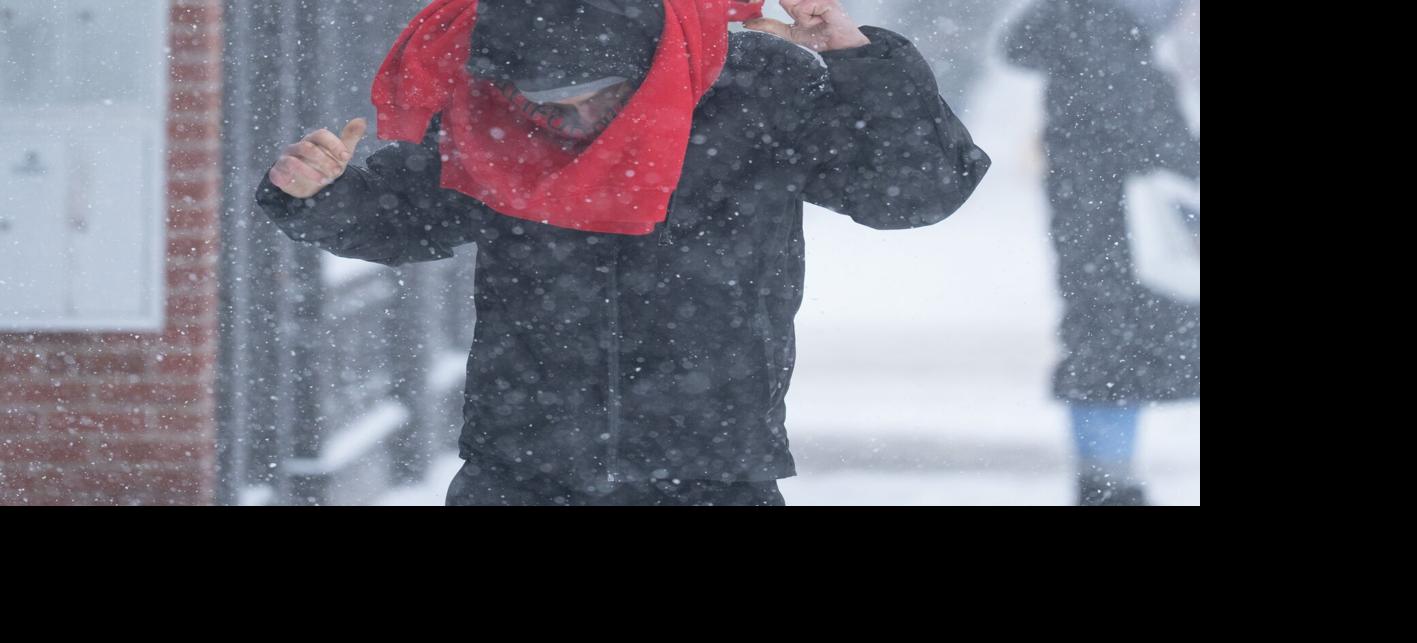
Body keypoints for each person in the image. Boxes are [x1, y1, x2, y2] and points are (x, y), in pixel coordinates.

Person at [257, 0, 990, 506]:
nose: (571, 119)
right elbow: (410, 216)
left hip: (712, 470)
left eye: (595, 95)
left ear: (649, 66)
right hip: (523, 469)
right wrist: (318, 194)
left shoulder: (758, 90)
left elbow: (910, 195)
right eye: (548, 101)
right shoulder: (504, 123)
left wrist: (859, 62)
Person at [1004, 0, 1199, 506]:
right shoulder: (1104, 32)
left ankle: (1108, 481)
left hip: (1101, 224)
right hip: (1125, 227)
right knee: (1113, 349)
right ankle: (1109, 487)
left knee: (1105, 348)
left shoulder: (1088, 30)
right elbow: (1148, 136)